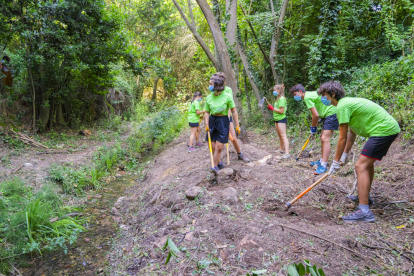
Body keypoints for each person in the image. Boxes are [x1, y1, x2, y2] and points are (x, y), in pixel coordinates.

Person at [319, 81, 400, 222]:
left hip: (383, 130)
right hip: (386, 129)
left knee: (360, 166)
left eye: (324, 95)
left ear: (333, 94)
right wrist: (344, 155)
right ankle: (365, 196)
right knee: (367, 165)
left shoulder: (342, 106)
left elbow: (342, 138)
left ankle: (364, 211)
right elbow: (351, 133)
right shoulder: (347, 104)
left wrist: (335, 162)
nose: (323, 98)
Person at [289, 84, 339, 174]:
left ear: (300, 91)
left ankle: (324, 165)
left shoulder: (307, 97)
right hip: (327, 114)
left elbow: (315, 115)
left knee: (325, 138)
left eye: (295, 94)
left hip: (332, 113)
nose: (295, 97)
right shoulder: (309, 94)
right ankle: (321, 161)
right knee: (322, 137)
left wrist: (313, 128)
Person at [204, 75, 241, 173]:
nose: (209, 86)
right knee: (212, 146)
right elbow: (207, 112)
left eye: (211, 84)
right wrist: (206, 124)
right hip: (212, 121)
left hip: (223, 121)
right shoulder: (208, 98)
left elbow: (234, 111)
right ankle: (219, 162)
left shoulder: (227, 96)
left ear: (216, 85)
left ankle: (214, 167)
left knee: (219, 147)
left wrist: (237, 125)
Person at [213, 72, 250, 163]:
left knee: (233, 138)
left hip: (226, 118)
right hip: (216, 118)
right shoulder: (213, 91)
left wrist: (228, 117)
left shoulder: (228, 90)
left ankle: (240, 154)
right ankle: (218, 160)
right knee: (216, 140)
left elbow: (230, 106)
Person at [267, 84, 289, 159]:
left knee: (283, 135)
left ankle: (287, 153)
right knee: (280, 135)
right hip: (277, 119)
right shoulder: (278, 98)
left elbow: (282, 111)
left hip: (281, 119)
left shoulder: (282, 99)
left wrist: (272, 109)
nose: (274, 91)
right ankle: (281, 150)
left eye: (274, 90)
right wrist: (272, 107)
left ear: (279, 90)